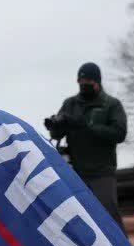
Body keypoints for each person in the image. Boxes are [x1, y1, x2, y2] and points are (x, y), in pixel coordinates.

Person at [45, 62, 127, 231]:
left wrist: (85, 126)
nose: (84, 86)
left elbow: (119, 134)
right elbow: (56, 135)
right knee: (74, 216)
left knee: (109, 216)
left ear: (97, 82)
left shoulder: (111, 104)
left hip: (102, 173)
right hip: (75, 172)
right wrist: (56, 127)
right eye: (81, 82)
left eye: (88, 82)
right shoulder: (70, 104)